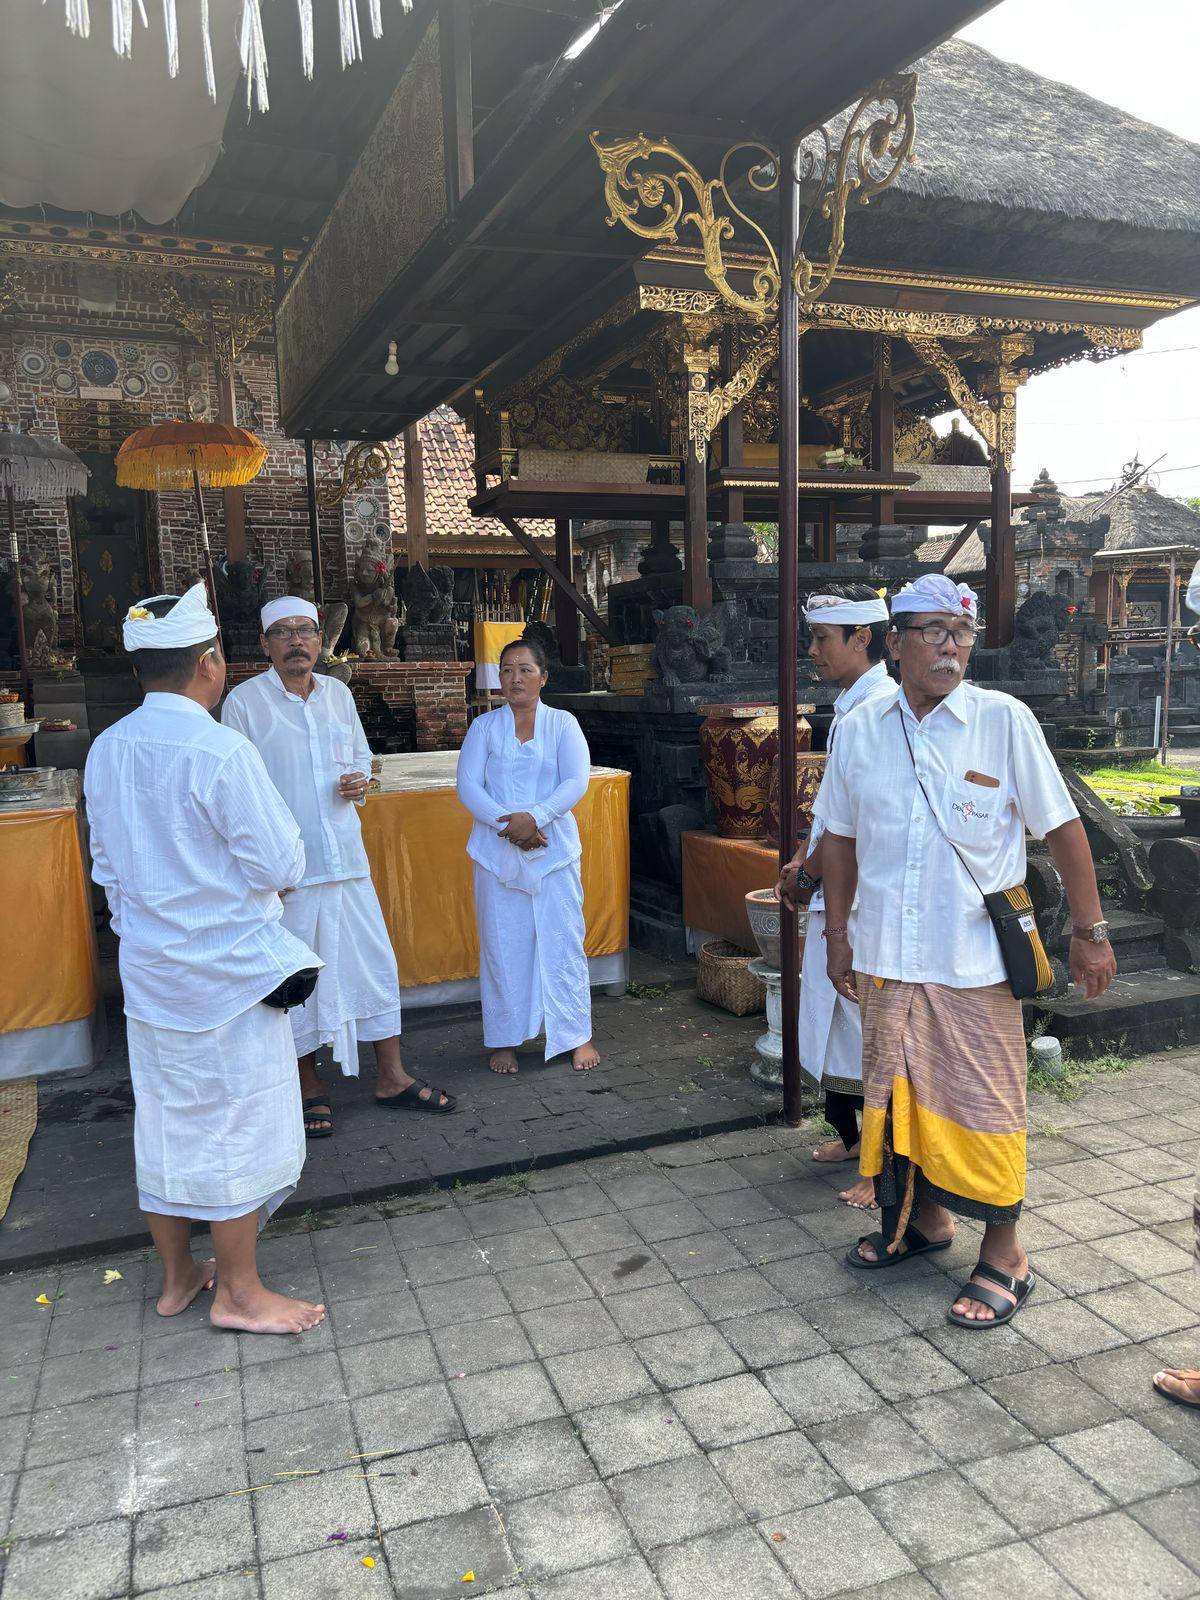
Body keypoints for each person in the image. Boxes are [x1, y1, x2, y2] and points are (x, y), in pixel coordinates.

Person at [816, 573, 1116, 1327]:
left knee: (984, 1104)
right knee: (897, 1099)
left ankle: (1007, 1255)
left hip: (972, 961)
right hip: (886, 954)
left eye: (961, 633)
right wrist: (837, 933)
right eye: (933, 633)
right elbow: (840, 840)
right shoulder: (860, 727)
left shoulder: (1002, 721)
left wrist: (1089, 932)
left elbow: (1062, 828)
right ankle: (923, 1221)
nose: (950, 648)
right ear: (895, 644)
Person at [84, 585, 326, 1335]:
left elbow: (106, 870)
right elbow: (280, 860)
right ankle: (240, 1293)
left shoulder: (106, 749)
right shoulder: (220, 750)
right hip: (227, 976)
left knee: (166, 1120)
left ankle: (178, 1276)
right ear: (209, 664)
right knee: (236, 1125)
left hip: (152, 973)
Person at [222, 596, 454, 1136]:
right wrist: (262, 868)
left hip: (345, 859)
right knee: (295, 977)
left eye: (305, 630)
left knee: (372, 965)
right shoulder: (244, 704)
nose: (296, 641)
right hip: (289, 872)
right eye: (283, 632)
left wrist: (360, 781)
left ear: (320, 639)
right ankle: (307, 1085)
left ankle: (391, 1076)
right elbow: (238, 793)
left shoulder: (338, 694)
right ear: (266, 645)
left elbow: (361, 759)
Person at [777, 584, 894, 1210]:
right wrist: (804, 858)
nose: (814, 650)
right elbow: (830, 812)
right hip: (835, 882)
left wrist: (807, 873)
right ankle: (853, 1140)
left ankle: (881, 1165)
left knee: (869, 1031)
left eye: (823, 638)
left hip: (861, 895)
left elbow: (851, 828)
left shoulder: (879, 710)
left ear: (863, 639)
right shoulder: (852, 705)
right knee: (841, 1028)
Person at [456, 636, 600, 1074]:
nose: (515, 678)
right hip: (497, 851)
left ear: (544, 677)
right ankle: (506, 1039)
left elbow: (575, 781)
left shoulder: (563, 724)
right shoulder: (483, 727)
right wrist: (510, 826)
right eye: (506, 670)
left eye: (525, 670)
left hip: (552, 849)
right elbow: (468, 786)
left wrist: (535, 818)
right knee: (503, 943)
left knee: (563, 938)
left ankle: (576, 1035)